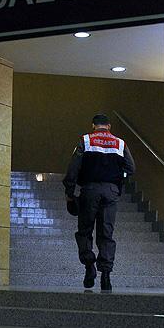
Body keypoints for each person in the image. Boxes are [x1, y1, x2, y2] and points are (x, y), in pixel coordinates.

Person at [63, 114, 135, 291]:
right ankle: (106, 276)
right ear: (109, 126)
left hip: (89, 190)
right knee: (106, 234)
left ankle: (89, 265)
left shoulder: (85, 140)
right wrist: (118, 176)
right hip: (111, 192)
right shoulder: (120, 143)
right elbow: (131, 168)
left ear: (93, 125)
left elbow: (73, 168)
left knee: (85, 231)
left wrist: (70, 192)